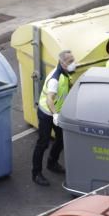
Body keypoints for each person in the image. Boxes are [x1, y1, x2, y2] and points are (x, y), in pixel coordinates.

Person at [32, 50, 78, 186]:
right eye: (70, 62)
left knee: (61, 139)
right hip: (47, 113)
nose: (73, 64)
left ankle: (52, 163)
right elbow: (49, 100)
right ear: (62, 63)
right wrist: (55, 115)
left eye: (73, 60)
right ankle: (36, 174)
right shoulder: (55, 79)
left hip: (58, 112)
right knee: (43, 143)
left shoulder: (65, 73)